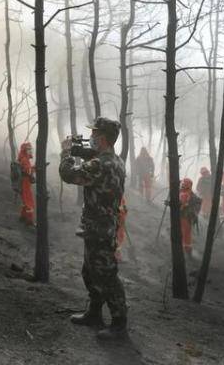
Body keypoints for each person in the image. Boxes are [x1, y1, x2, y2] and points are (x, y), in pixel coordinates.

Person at [59, 116, 127, 340]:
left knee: (107, 275)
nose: (91, 138)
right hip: (98, 226)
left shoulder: (102, 164)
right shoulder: (113, 160)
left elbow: (69, 174)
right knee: (90, 271)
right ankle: (94, 312)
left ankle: (119, 324)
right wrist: (80, 150)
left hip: (101, 228)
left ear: (104, 138)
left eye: (95, 135)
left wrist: (67, 153)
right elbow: (93, 157)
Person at [179, 178, 202, 256]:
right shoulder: (181, 192)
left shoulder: (190, 196)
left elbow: (197, 205)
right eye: (182, 184)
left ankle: (185, 248)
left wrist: (188, 207)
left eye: (184, 185)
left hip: (186, 217)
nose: (182, 186)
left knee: (184, 232)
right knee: (184, 232)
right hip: (184, 216)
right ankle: (185, 247)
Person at [16, 142, 36, 226]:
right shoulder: (24, 159)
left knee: (25, 200)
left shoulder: (24, 158)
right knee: (29, 201)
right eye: (28, 149)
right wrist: (35, 168)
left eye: (30, 149)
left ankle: (23, 217)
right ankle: (29, 220)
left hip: (24, 181)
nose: (30, 151)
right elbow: (28, 171)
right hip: (25, 182)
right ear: (24, 150)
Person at [115, 196, 128, 261]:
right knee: (117, 235)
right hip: (114, 217)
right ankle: (116, 254)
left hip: (120, 217)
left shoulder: (120, 194)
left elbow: (123, 206)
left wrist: (124, 210)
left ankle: (117, 253)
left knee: (120, 235)